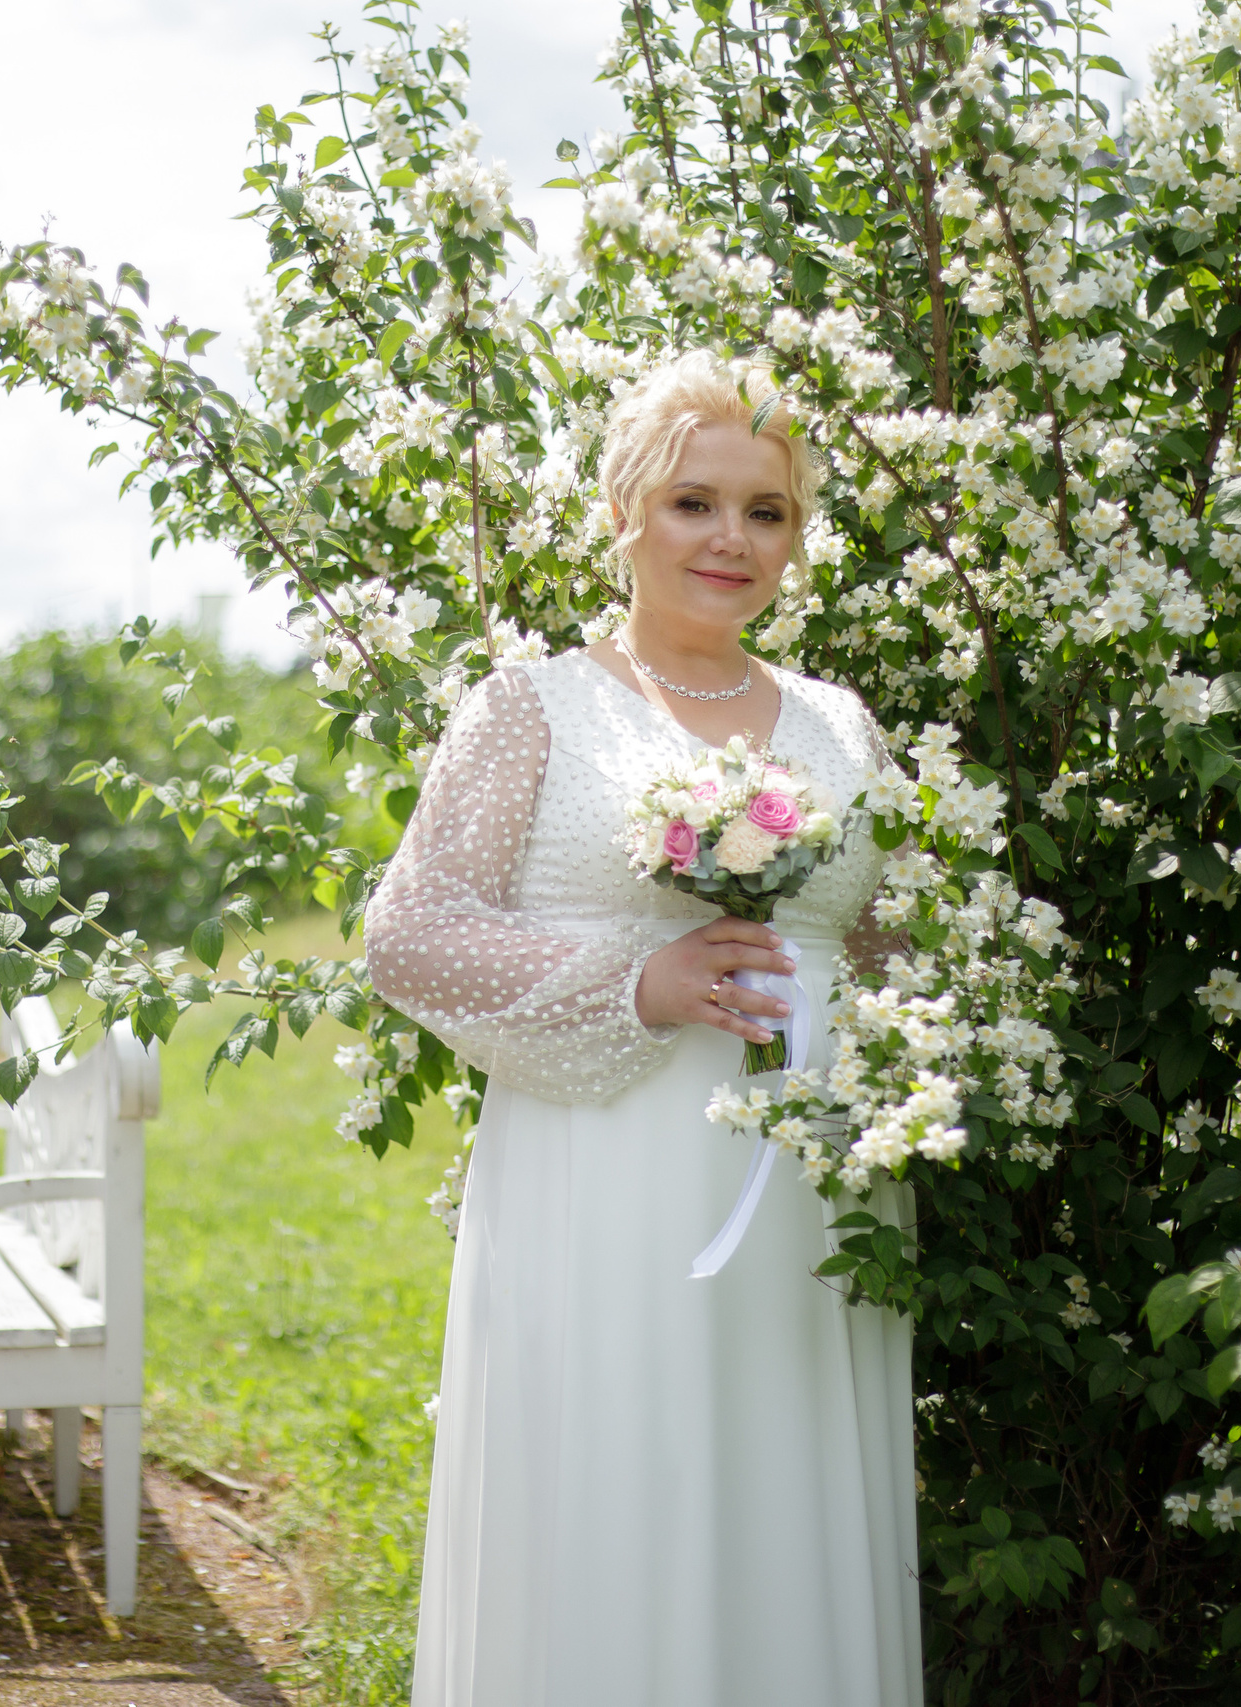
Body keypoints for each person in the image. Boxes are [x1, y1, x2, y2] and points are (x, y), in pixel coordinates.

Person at [364, 353, 921, 1706]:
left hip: (809, 1199)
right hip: (605, 1185)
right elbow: (410, 933)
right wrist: (637, 981)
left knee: (784, 1493)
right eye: (693, 502)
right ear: (626, 512)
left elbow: (897, 951)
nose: (731, 538)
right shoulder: (530, 711)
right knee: (614, 1483)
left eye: (767, 511)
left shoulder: (843, 728)